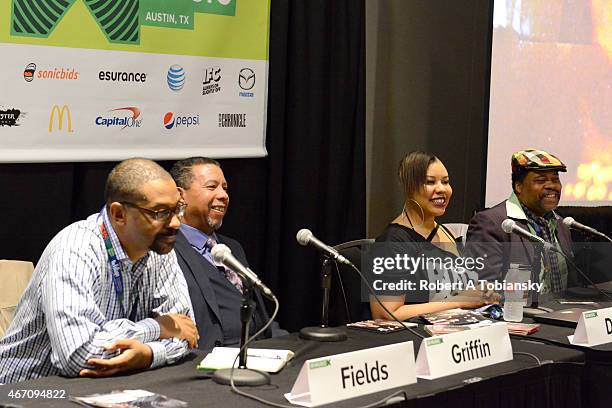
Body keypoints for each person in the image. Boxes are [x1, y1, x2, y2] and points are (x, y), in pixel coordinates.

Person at [0, 158, 198, 384]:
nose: (175, 223)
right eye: (160, 212)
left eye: (177, 210)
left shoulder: (160, 248)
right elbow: (77, 355)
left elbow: (186, 331)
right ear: (119, 214)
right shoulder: (74, 250)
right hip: (26, 391)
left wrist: (149, 354)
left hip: (107, 387)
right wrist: (156, 328)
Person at [170, 157, 286, 351]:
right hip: (211, 358)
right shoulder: (167, 250)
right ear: (180, 196)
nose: (223, 195)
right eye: (211, 187)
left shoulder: (232, 247)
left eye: (225, 188)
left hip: (261, 349)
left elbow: (259, 313)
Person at [370, 151, 495, 321]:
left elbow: (457, 290)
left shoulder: (447, 233)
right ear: (409, 187)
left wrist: (481, 293)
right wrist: (461, 301)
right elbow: (386, 313)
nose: (442, 189)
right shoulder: (393, 241)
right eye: (430, 182)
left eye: (446, 182)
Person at [466, 149, 577, 293]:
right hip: (516, 315)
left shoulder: (562, 224)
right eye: (541, 180)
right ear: (519, 186)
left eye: (555, 179)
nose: (552, 186)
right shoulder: (490, 223)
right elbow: (484, 291)